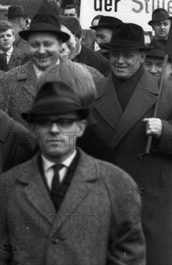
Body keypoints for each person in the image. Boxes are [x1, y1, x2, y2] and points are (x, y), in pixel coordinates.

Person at [84, 23, 172, 264]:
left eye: (128, 55)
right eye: (115, 54)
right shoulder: (92, 93)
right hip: (105, 194)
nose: (120, 61)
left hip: (150, 199)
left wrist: (165, 130)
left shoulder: (169, 92)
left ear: (141, 56)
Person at [0, 81, 145, 264]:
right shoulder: (9, 185)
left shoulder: (116, 183)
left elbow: (128, 252)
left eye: (64, 122)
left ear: (80, 127)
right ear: (34, 129)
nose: (54, 130)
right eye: (45, 122)